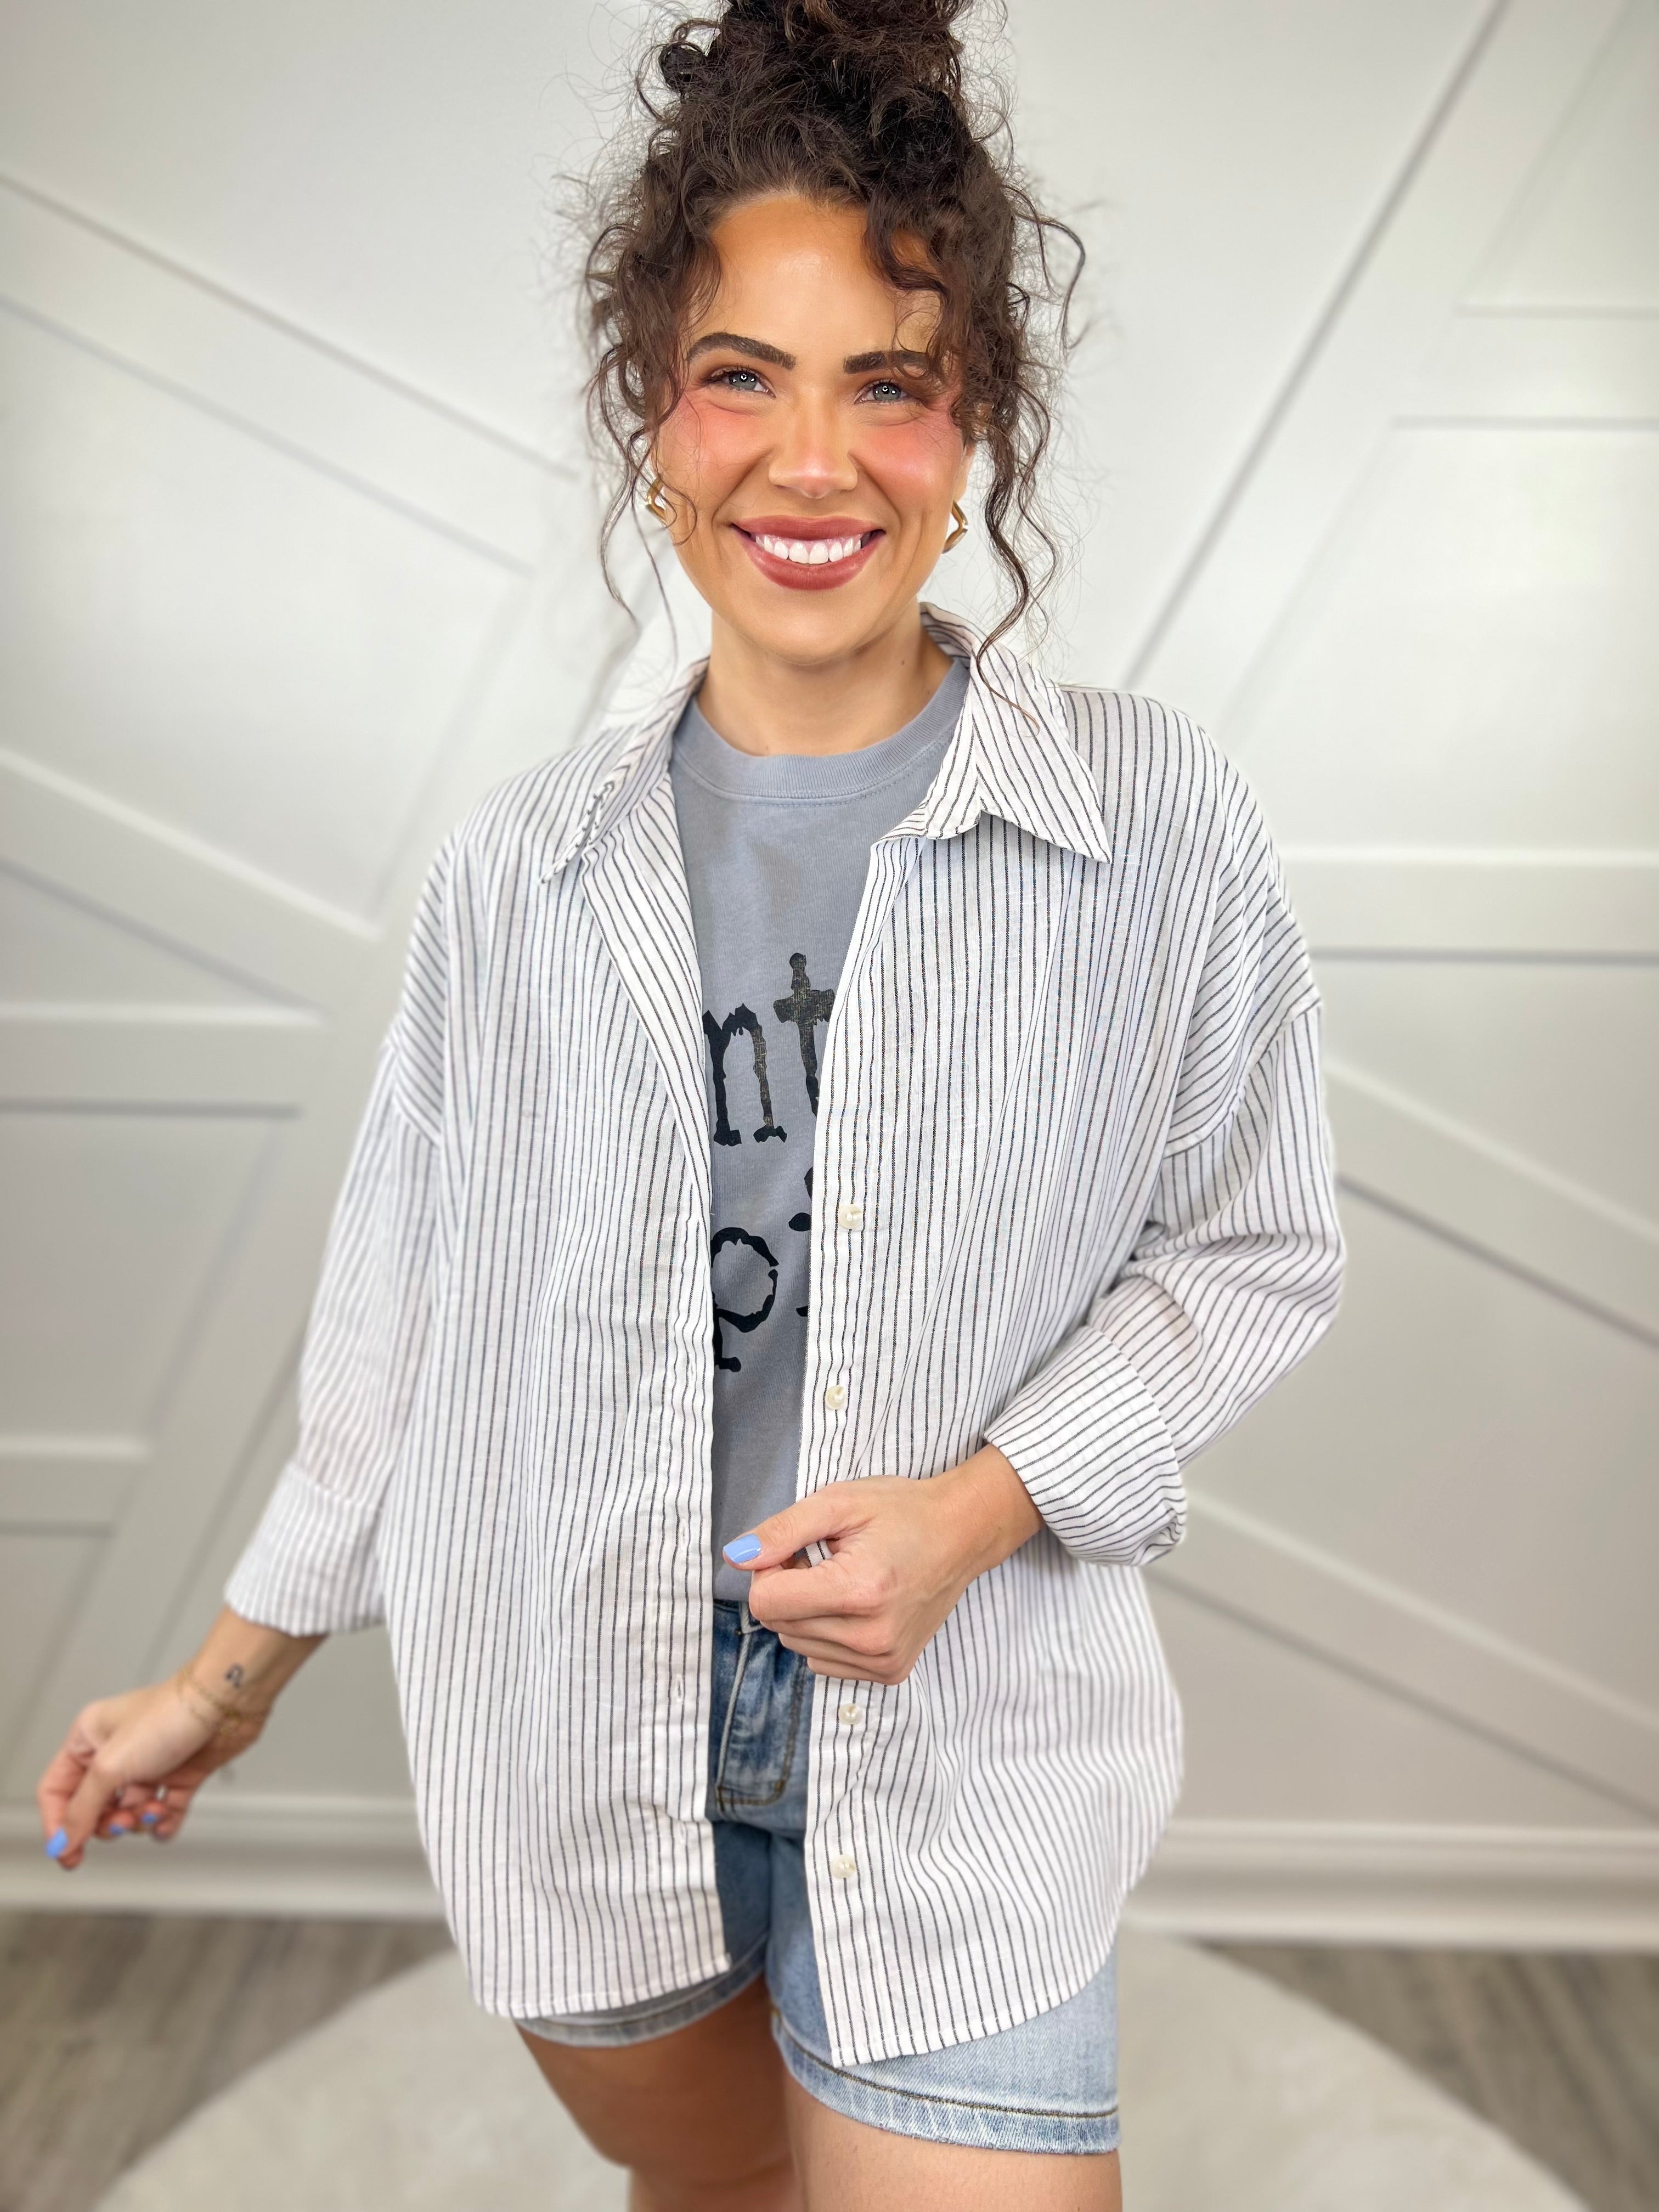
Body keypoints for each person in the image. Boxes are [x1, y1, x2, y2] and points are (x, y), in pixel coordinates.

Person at [36, 2, 1344, 2204]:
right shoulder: (523, 876)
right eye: (743, 376)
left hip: (970, 1731)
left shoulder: (1151, 822)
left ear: (975, 425)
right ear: (655, 416)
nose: (812, 463)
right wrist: (227, 1685)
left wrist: (976, 1511)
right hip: (576, 1719)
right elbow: (395, 1326)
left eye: (889, 385)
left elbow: (1255, 1249)